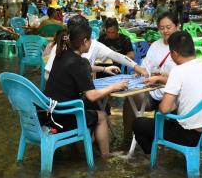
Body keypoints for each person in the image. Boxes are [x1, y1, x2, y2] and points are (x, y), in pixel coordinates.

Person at [41, 20, 128, 157]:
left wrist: (104, 68)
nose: (91, 43)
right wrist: (114, 87)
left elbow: (81, 68)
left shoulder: (62, 54)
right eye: (90, 40)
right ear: (85, 41)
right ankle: (105, 155)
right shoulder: (79, 62)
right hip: (62, 117)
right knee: (101, 116)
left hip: (49, 112)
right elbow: (92, 95)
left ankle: (82, 147)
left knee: (88, 107)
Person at [132, 31, 202, 154]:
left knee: (139, 124)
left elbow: (163, 109)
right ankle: (172, 157)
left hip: (191, 137)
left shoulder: (178, 71)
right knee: (174, 114)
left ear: (174, 53)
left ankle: (153, 157)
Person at [122, 12, 178, 142]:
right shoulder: (155, 45)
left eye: (168, 27)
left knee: (170, 112)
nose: (165, 31)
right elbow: (146, 66)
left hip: (174, 96)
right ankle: (128, 138)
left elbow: (184, 76)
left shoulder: (182, 45)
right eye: (162, 28)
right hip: (153, 92)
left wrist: (161, 77)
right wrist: (141, 72)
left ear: (177, 26)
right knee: (130, 98)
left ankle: (169, 142)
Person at [44, 15, 148, 80]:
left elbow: (116, 56)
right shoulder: (62, 45)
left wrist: (136, 67)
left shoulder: (63, 44)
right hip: (70, 94)